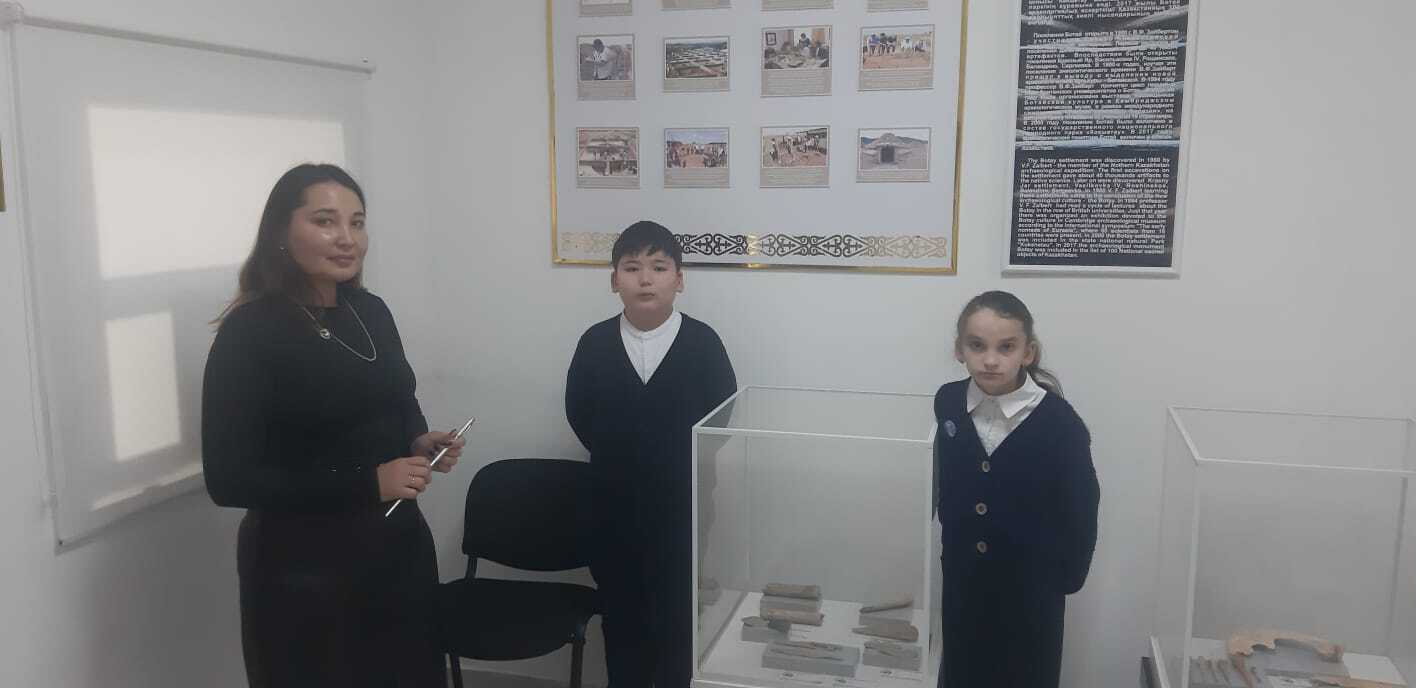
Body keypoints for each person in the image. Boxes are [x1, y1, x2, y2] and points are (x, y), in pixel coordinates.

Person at [202, 163, 465, 688]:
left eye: (357, 222)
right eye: (325, 221)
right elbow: (228, 481)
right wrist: (370, 482)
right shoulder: (249, 333)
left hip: (397, 551)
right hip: (304, 571)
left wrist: (418, 439)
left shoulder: (370, 310)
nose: (347, 238)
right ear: (280, 232)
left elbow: (399, 397)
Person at [565, 221, 737, 688]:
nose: (645, 279)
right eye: (632, 267)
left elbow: (720, 416)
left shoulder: (703, 343)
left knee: (678, 617)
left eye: (659, 267)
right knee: (622, 618)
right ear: (613, 280)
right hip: (612, 507)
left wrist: (669, 463)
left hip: (683, 506)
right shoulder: (595, 343)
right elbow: (579, 413)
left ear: (679, 280)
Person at [933, 290, 1100, 688]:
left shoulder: (1060, 422)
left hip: (1031, 590)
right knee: (961, 669)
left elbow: (1082, 504)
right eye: (977, 346)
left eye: (1006, 347)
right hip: (963, 580)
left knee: (1025, 674)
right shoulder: (948, 401)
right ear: (959, 350)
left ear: (1028, 352)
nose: (990, 360)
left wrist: (1065, 579)